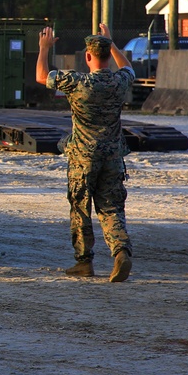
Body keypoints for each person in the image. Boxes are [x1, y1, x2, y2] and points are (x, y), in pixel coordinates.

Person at [35, 23, 135, 282]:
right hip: (113, 156)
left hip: (83, 157)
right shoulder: (119, 81)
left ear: (87, 57)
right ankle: (121, 251)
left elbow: (41, 75)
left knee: (80, 207)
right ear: (106, 55)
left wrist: (44, 48)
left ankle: (84, 262)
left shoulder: (77, 82)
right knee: (112, 207)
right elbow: (128, 68)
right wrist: (111, 43)